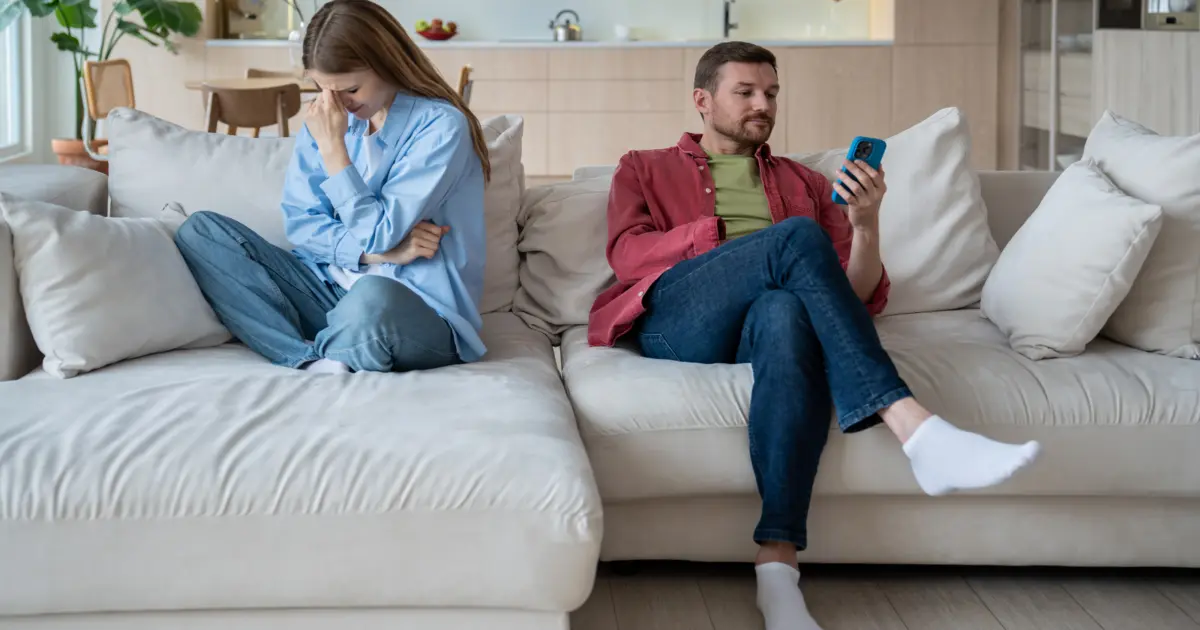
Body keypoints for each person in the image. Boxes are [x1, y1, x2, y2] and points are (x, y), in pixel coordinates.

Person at [588, 42, 1041, 630]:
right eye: (745, 92)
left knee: (785, 312)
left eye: (771, 93)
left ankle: (777, 567)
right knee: (795, 240)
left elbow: (854, 298)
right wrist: (721, 238)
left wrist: (865, 223)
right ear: (702, 101)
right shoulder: (644, 166)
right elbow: (627, 256)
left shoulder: (804, 181)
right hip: (680, 320)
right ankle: (912, 425)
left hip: (762, 324)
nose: (763, 104)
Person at [175, 0, 491, 375]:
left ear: (387, 62)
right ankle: (309, 359)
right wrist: (379, 256)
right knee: (201, 231)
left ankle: (334, 347)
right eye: (323, 90)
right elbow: (302, 226)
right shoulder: (329, 117)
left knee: (371, 298)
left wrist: (334, 149)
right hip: (326, 288)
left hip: (412, 308)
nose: (336, 105)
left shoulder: (440, 128)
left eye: (351, 89)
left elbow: (378, 232)